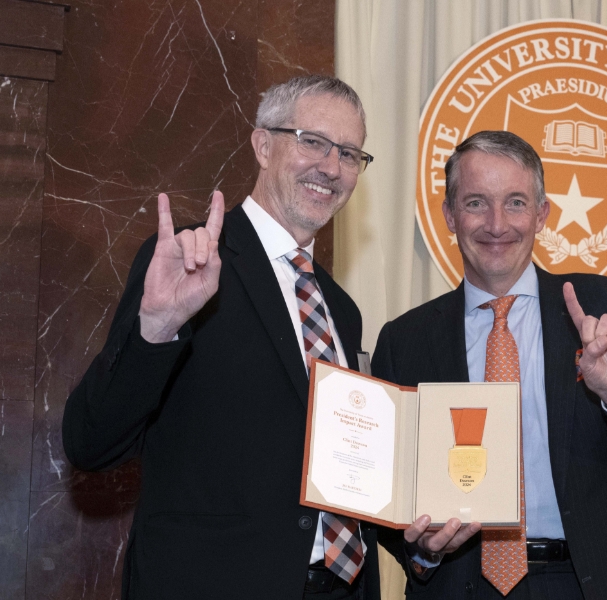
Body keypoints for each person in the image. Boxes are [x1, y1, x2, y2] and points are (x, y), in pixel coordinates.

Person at [62, 75, 382, 600]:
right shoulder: (192, 263)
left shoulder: (341, 310)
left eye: (349, 153)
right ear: (262, 144)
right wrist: (157, 328)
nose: (331, 166)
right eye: (314, 141)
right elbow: (90, 442)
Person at [372, 130, 607, 600]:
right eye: (474, 203)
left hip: (590, 584)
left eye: (514, 202)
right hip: (459, 586)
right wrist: (422, 549)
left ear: (542, 213)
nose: (496, 224)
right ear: (449, 215)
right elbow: (384, 494)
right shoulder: (404, 341)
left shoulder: (604, 308)